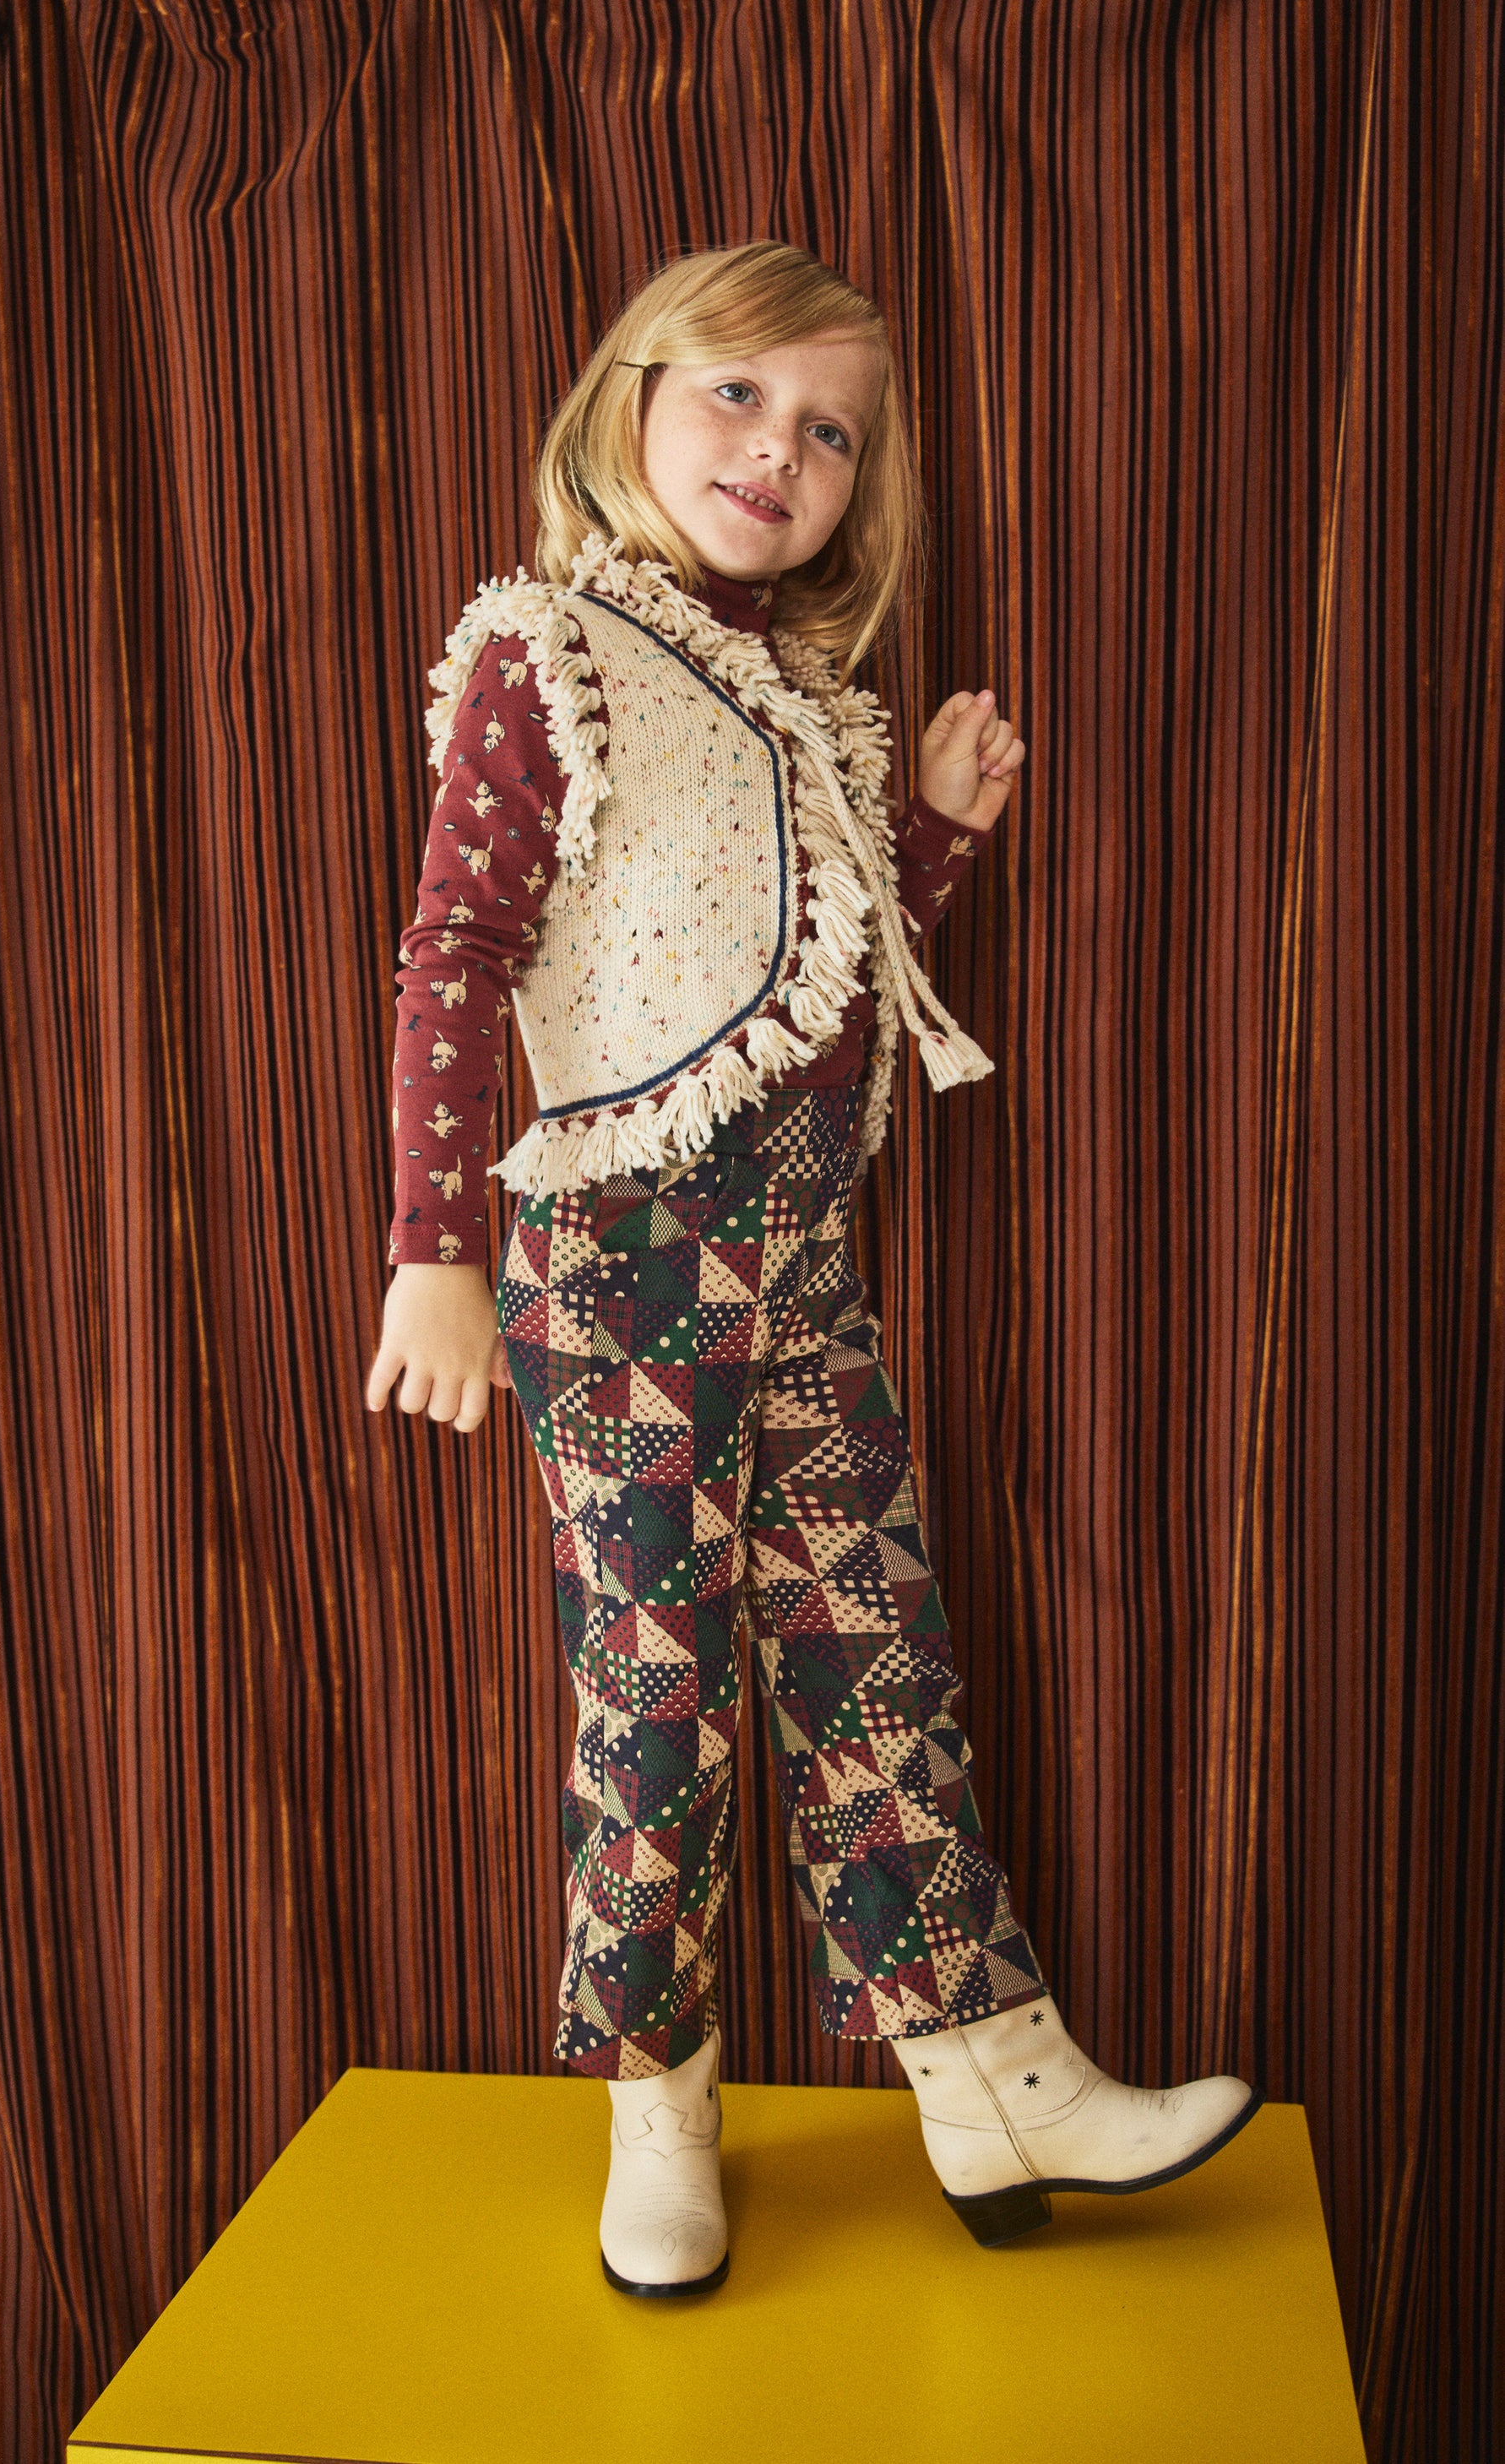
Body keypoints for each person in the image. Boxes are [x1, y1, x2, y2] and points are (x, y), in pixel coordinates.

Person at [365, 240, 1261, 2291]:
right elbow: (456, 954)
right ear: (628, 397)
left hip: (801, 1262)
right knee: (656, 1690)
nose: (780, 449)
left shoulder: (821, 723)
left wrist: (924, 832)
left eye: (831, 431)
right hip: (616, 1260)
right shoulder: (545, 649)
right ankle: (657, 2103)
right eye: (738, 394)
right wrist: (434, 1251)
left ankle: (993, 2076)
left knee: (878, 1656)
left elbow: (821, 975)